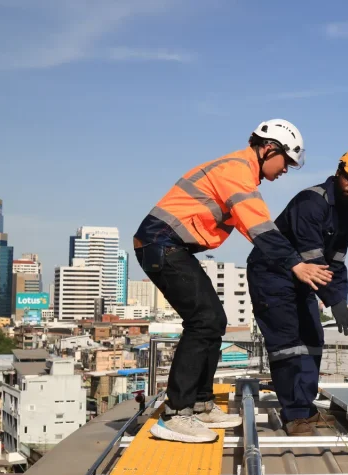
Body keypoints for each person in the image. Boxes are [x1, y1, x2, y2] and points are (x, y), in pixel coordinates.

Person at [133, 120, 333, 443]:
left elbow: (255, 228)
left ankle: (199, 403)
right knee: (204, 319)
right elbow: (261, 230)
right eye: (286, 161)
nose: (286, 170)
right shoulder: (237, 172)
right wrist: (296, 265)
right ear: (269, 149)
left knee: (215, 320)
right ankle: (176, 412)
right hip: (160, 242)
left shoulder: (241, 173)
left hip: (169, 245)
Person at [248, 147, 348, 435]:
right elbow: (314, 259)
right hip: (273, 275)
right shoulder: (311, 202)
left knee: (312, 338)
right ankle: (294, 415)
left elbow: (336, 261)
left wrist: (339, 299)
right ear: (340, 171)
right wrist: (333, 301)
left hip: (305, 278)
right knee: (287, 344)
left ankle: (305, 407)